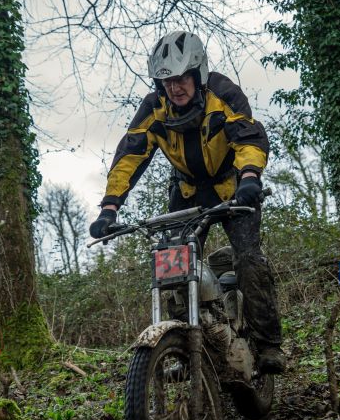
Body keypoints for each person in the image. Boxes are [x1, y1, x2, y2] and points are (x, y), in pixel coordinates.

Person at [90, 31, 285, 374]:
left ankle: (268, 344)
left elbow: (248, 137)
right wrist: (109, 208)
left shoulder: (223, 93)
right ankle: (189, 349)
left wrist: (250, 177)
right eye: (166, 81)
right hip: (187, 190)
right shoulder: (154, 108)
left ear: (198, 74)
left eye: (181, 79)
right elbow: (130, 155)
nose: (174, 88)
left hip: (233, 185)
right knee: (173, 268)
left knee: (248, 259)